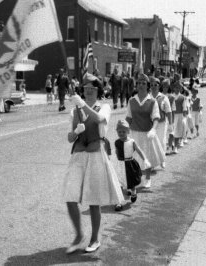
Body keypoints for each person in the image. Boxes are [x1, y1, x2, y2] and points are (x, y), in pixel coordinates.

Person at [63, 73, 124, 254]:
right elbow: (69, 138)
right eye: (86, 89)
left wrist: (82, 105)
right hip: (79, 156)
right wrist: (76, 131)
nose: (88, 92)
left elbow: (99, 119)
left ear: (98, 91)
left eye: (92, 89)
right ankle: (79, 234)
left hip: (95, 154)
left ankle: (95, 238)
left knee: (93, 200)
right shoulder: (75, 110)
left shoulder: (104, 107)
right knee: (70, 196)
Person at [125, 74, 165, 188]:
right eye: (139, 83)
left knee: (147, 155)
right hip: (134, 132)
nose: (141, 85)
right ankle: (135, 178)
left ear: (147, 86)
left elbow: (156, 118)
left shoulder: (152, 101)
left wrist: (153, 129)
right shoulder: (131, 100)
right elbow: (128, 117)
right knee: (133, 156)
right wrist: (124, 128)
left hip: (147, 133)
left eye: (143, 83)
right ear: (136, 85)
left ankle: (147, 178)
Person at [114, 120, 150, 210]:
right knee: (120, 183)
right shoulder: (117, 142)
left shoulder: (131, 141)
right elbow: (117, 153)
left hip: (130, 164)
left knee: (131, 181)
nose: (121, 133)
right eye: (119, 132)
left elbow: (139, 150)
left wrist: (145, 159)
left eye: (123, 131)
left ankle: (133, 192)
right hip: (121, 165)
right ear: (117, 131)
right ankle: (120, 202)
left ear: (128, 131)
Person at [150, 77, 172, 156]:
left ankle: (162, 158)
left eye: (155, 85)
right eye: (151, 85)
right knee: (152, 141)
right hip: (150, 123)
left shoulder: (163, 97)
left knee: (161, 140)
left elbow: (169, 111)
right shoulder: (148, 97)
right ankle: (153, 160)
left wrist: (170, 124)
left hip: (161, 123)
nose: (153, 86)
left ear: (159, 86)